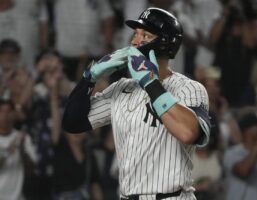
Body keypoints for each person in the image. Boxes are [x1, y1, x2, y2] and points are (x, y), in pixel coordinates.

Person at [62, 7, 211, 199]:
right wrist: (89, 77)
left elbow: (188, 133)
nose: (135, 41)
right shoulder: (121, 88)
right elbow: (72, 123)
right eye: (135, 34)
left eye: (146, 35)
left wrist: (150, 82)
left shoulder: (189, 88)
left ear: (165, 43)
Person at [0, 99, 37, 200]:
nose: (5, 116)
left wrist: (22, 150)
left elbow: (31, 170)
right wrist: (8, 151)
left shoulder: (23, 138)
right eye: (1, 111)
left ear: (14, 114)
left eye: (8, 111)